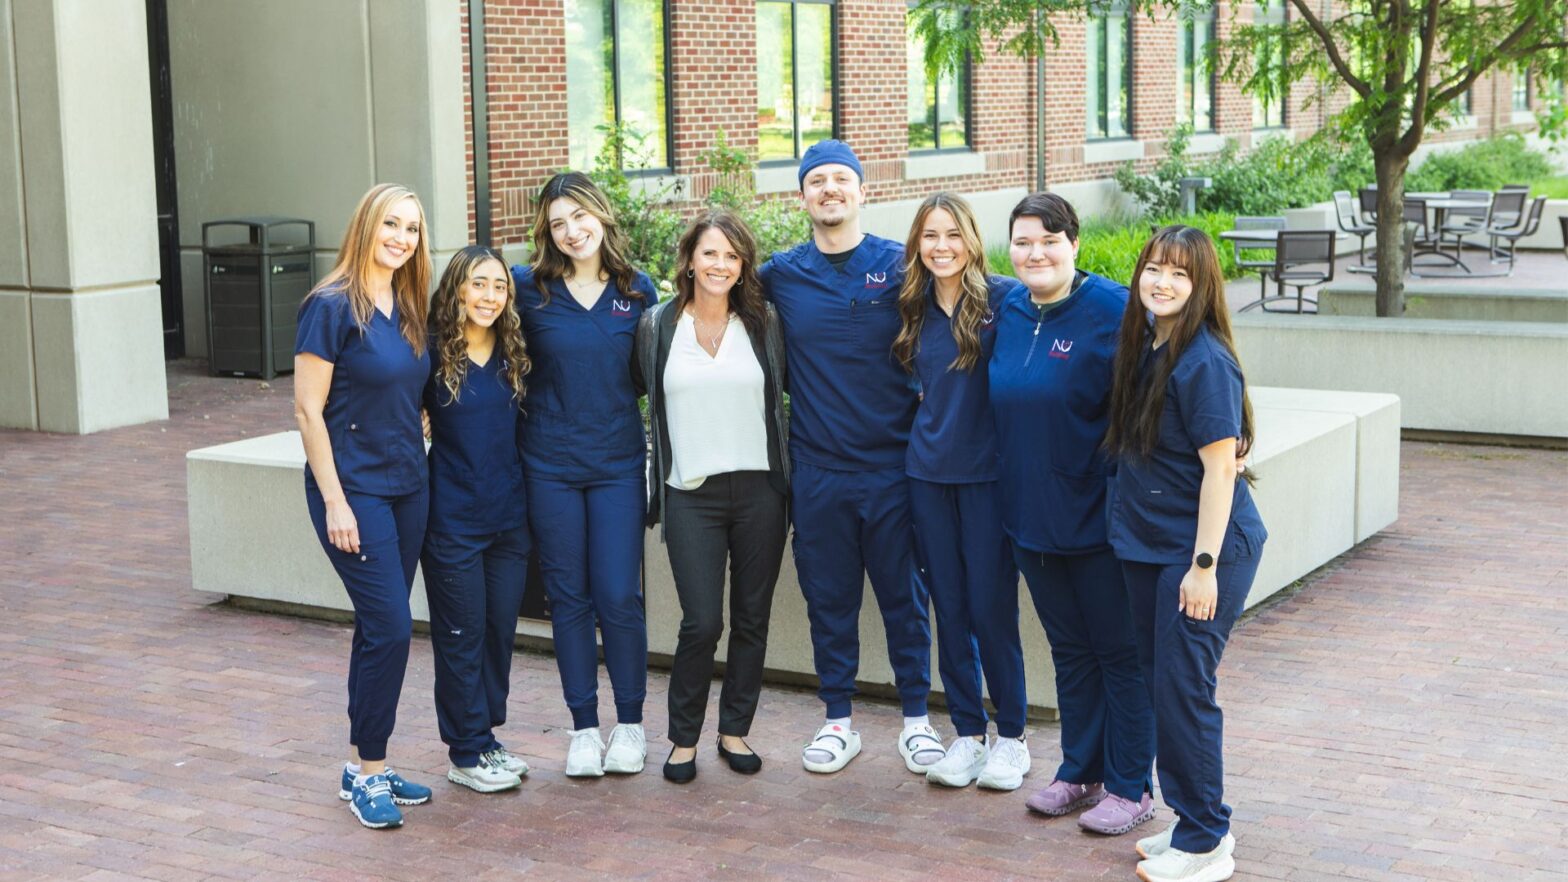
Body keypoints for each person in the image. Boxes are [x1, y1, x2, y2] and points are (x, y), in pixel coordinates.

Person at [759, 139, 940, 775]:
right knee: (828, 601)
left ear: (864, 190)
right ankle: (838, 720)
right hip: (818, 472)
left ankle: (917, 721)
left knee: (905, 601)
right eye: (817, 181)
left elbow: (975, 301)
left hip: (894, 470)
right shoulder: (781, 274)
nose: (830, 189)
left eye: (841, 179)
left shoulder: (903, 265)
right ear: (802, 196)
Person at [988, 193, 1156, 834]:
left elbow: (1161, 395)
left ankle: (1131, 785)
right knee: (1070, 651)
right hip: (1029, 519)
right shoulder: (1009, 308)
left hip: (1099, 522)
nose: (1036, 253)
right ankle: (1080, 771)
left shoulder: (1114, 310)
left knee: (1119, 653)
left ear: (1075, 243)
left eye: (1049, 240)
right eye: (1023, 242)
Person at [1104, 225, 1268, 882]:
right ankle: (1190, 819)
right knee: (1162, 685)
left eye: (1180, 273)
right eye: (1154, 268)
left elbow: (1221, 471)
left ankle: (1206, 840)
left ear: (1201, 286)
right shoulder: (1149, 343)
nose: (1163, 282)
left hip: (1203, 550)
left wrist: (1203, 568)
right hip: (1153, 543)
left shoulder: (1204, 361)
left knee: (1184, 691)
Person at [293, 183, 435, 829]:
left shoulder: (408, 305)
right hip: (354, 490)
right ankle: (370, 772)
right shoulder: (329, 306)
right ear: (367, 226)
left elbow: (407, 388)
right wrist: (335, 502)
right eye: (391, 224)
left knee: (379, 627)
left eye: (412, 228)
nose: (402, 238)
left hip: (410, 486)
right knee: (393, 628)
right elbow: (307, 410)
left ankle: (359, 764)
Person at [636, 210, 789, 784]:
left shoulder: (764, 323)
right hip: (689, 493)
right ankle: (683, 738)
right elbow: (631, 391)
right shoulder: (657, 326)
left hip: (760, 491)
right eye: (710, 253)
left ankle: (734, 730)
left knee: (752, 618)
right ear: (690, 260)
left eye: (731, 255)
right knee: (701, 622)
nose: (720, 264)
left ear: (743, 265)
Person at [513, 172, 657, 777]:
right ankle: (582, 729)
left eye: (580, 216)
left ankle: (630, 726)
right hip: (549, 466)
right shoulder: (527, 289)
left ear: (601, 213)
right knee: (568, 596)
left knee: (619, 594)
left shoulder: (638, 290)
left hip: (617, 465)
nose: (572, 232)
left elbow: (651, 377)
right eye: (558, 224)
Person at [889, 192, 1030, 790]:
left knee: (991, 610)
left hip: (989, 479)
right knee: (948, 607)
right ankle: (969, 733)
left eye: (952, 234)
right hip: (926, 476)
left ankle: (1012, 738)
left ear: (971, 239)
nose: (941, 246)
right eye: (930, 235)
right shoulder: (910, 307)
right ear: (917, 245)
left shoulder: (1006, 300)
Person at [420, 245, 533, 793]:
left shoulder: (514, 351)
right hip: (453, 522)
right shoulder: (430, 353)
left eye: (499, 286)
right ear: (457, 290)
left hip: (508, 520)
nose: (490, 296)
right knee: (461, 637)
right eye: (478, 284)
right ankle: (464, 751)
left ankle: (485, 737)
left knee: (497, 633)